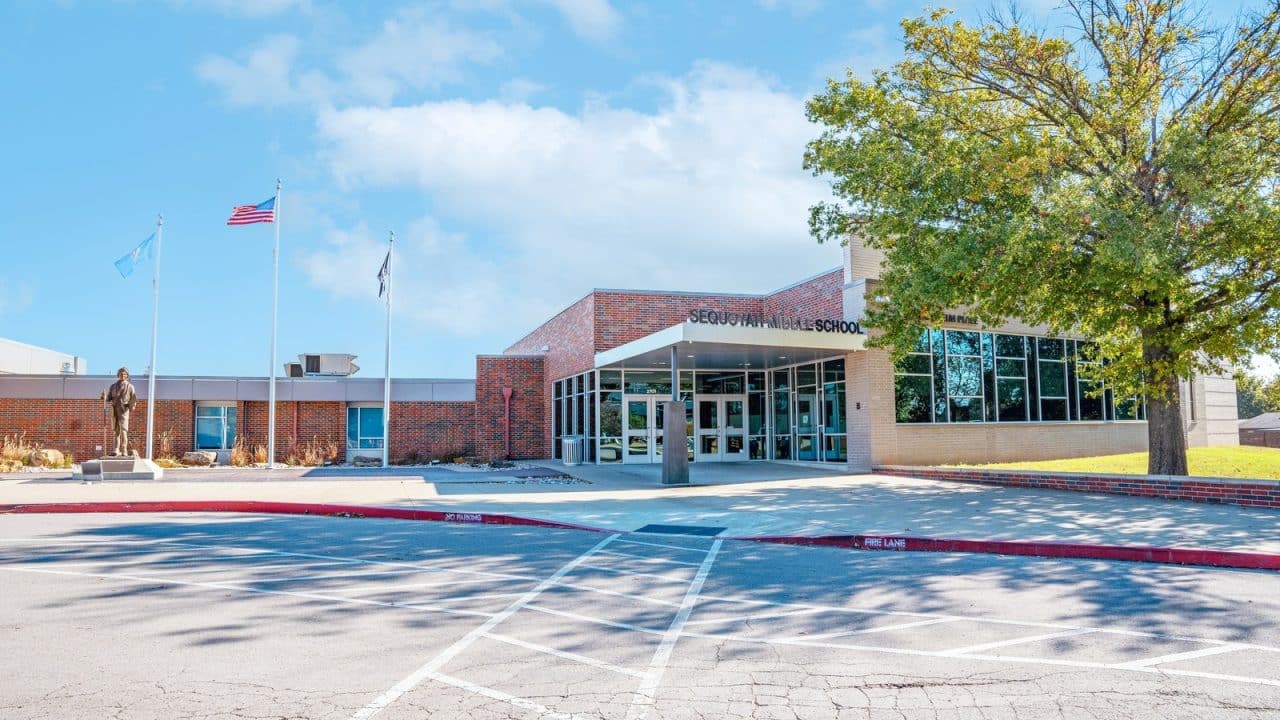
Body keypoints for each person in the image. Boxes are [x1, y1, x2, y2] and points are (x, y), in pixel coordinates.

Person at [106, 367, 137, 457]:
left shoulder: (130, 387)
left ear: (127, 375)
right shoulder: (113, 386)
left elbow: (133, 399)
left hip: (124, 410)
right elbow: (108, 398)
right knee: (116, 431)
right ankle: (116, 449)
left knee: (124, 431)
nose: (122, 375)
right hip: (114, 409)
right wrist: (104, 398)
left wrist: (132, 406)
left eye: (124, 374)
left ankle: (124, 450)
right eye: (121, 374)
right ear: (118, 375)